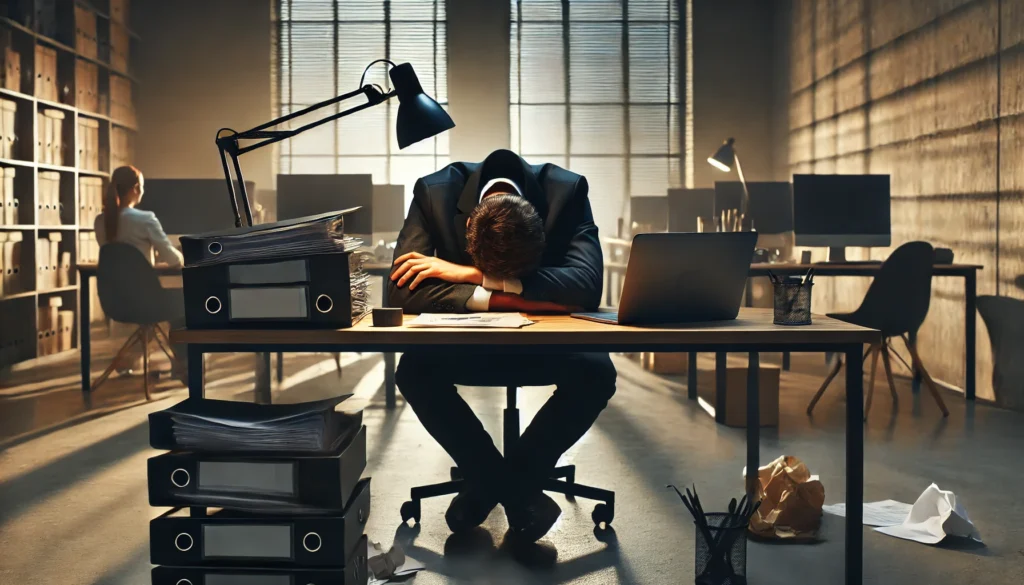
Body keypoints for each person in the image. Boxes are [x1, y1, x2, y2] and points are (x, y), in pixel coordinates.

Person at [389, 149, 616, 543]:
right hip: (468, 346)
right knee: (413, 370)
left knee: (597, 371)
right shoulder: (433, 193)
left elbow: (587, 286)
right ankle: (519, 491)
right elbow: (399, 290)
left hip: (544, 348)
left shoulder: (569, 191)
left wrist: (473, 276)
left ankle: (484, 485)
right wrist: (504, 294)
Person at [95, 165, 187, 378]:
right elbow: (173, 260)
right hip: (145, 299)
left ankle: (132, 358)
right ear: (136, 189)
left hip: (115, 302)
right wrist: (182, 254)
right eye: (143, 187)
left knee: (152, 312)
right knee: (186, 301)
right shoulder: (145, 219)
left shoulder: (100, 221)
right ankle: (185, 365)